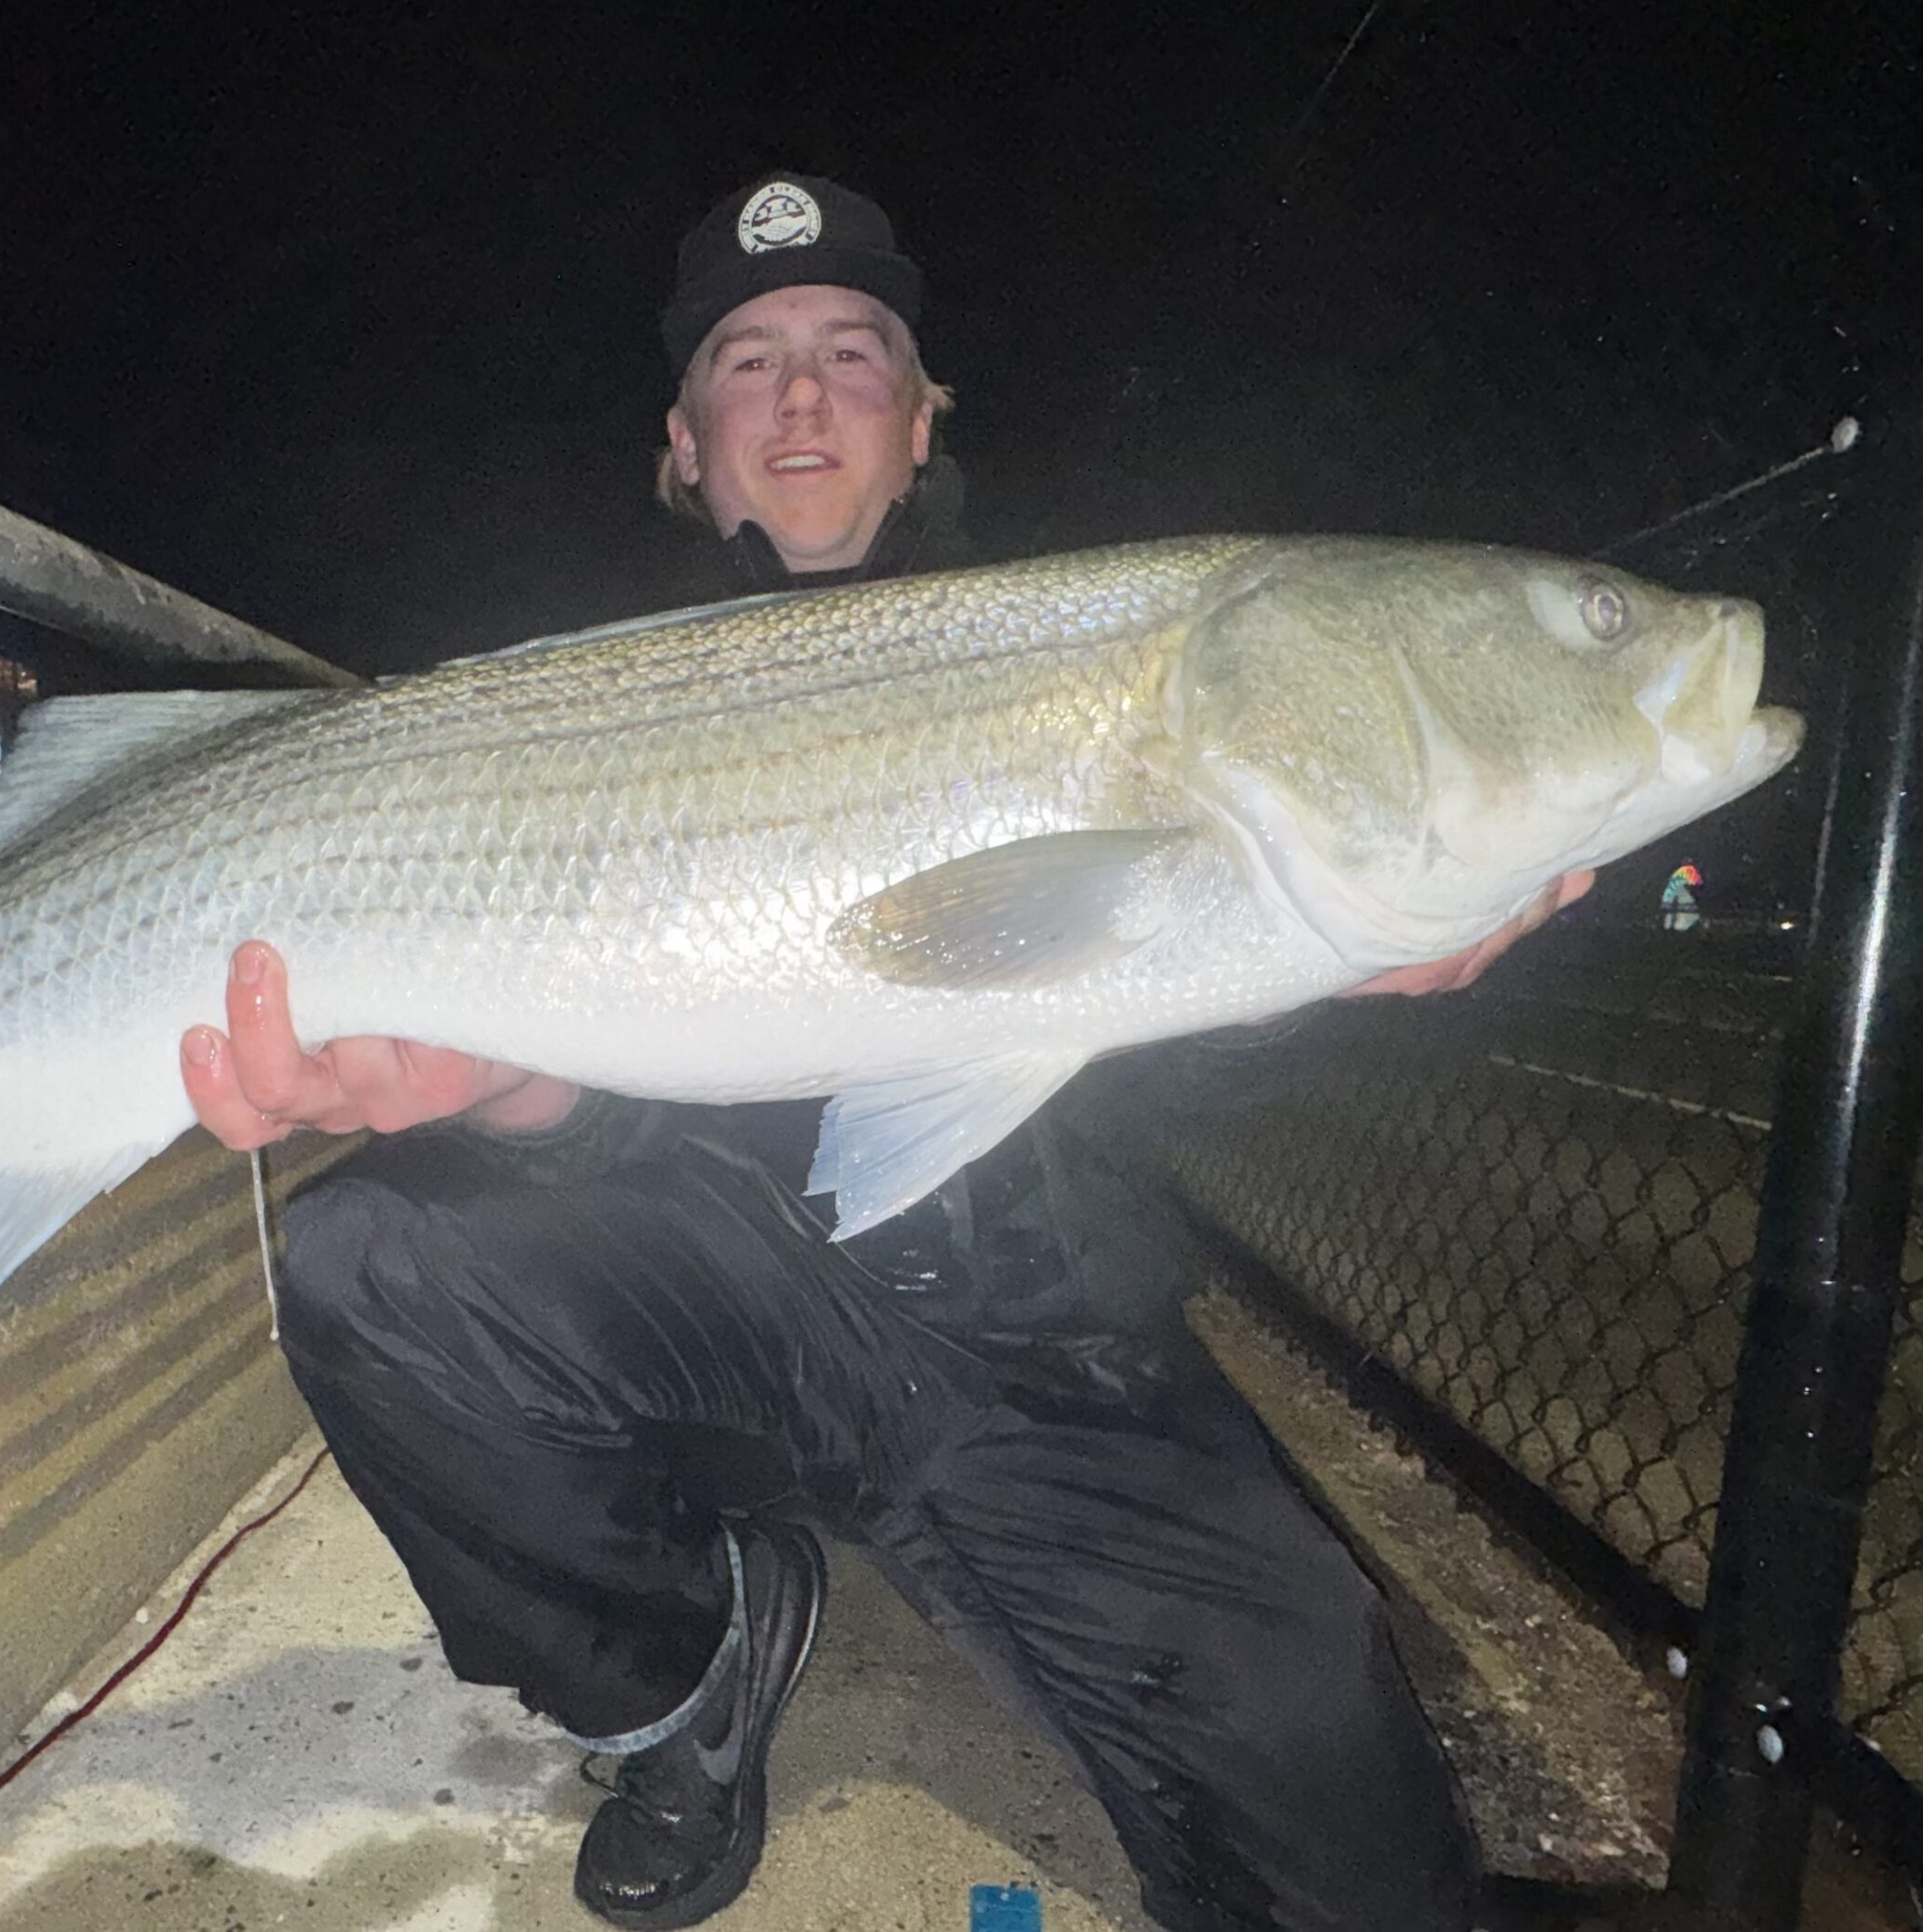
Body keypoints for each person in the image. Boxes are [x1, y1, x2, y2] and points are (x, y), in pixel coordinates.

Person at [177, 173, 1593, 1932]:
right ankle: (681, 1680)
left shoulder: (1090, 657)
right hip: (737, 1320)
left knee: (1363, 1890)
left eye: (855, 350)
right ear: (683, 446)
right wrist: (512, 1094)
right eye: (748, 357)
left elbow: (1172, 1063)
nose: (800, 392)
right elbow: (593, 1116)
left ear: (922, 425)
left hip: (1050, 1366)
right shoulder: (579, 710)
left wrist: (1318, 963)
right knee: (372, 1254)